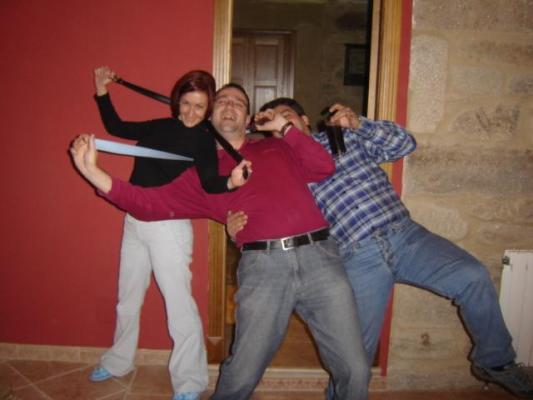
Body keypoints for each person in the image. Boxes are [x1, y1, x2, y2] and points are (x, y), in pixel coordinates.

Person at [70, 83, 371, 400]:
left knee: (356, 368)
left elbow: (324, 166)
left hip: (320, 257)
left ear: (249, 117)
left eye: (238, 102)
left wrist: (285, 128)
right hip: (264, 267)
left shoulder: (277, 148)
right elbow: (148, 203)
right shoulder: (204, 176)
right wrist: (93, 172)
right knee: (242, 371)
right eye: (222, 101)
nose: (229, 105)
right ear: (209, 117)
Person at [228, 97, 533, 399]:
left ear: (305, 120)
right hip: (356, 256)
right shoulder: (280, 163)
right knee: (354, 358)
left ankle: (495, 362)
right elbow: (259, 207)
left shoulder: (342, 137)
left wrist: (359, 124)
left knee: (473, 276)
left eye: (287, 115)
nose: (281, 122)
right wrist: (233, 226)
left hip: (406, 237)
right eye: (274, 120)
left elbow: (405, 144)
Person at [90, 67, 238, 400]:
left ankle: (190, 382)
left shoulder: (204, 139)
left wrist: (232, 181)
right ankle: (118, 362)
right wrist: (102, 90)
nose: (191, 113)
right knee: (127, 299)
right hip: (134, 221)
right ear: (177, 102)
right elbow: (116, 127)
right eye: (186, 104)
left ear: (208, 109)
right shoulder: (161, 126)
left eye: (199, 107)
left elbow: (210, 183)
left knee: (179, 305)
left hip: (169, 229)